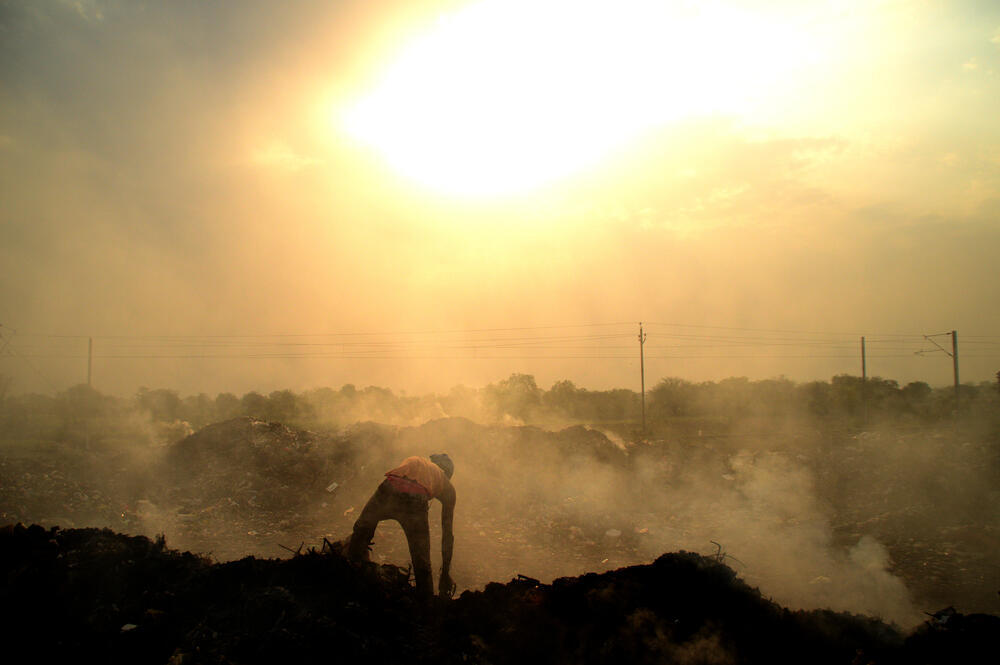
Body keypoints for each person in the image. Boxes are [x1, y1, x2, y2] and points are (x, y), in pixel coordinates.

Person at [347, 453, 456, 599]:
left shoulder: (419, 462)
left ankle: (349, 576)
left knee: (361, 531)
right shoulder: (446, 483)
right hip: (415, 500)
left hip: (388, 487)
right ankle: (426, 603)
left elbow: (401, 480)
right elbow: (447, 535)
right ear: (447, 473)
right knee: (421, 562)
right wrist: (445, 574)